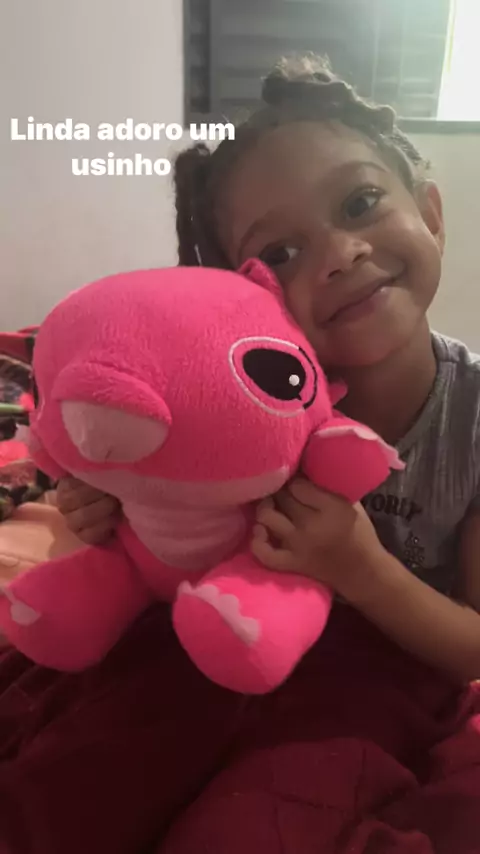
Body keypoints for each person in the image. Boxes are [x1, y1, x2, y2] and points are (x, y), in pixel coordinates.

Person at [9, 54, 480, 852]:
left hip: (378, 680)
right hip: (207, 639)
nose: (339, 253)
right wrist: (105, 514)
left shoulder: (471, 418)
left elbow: (473, 644)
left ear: (430, 213)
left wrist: (360, 570)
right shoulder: (231, 401)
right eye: (283, 253)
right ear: (248, 292)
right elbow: (159, 525)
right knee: (75, 787)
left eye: (361, 203)